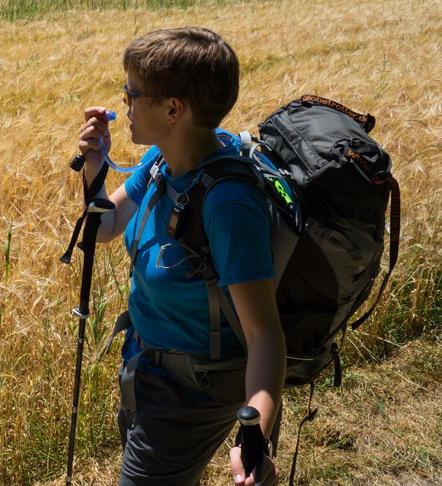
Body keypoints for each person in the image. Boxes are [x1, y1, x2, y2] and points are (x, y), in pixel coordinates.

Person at [76, 27, 286, 486]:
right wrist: (96, 168)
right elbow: (106, 227)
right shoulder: (160, 159)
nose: (124, 104)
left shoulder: (228, 206)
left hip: (189, 394)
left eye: (132, 93)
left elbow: (265, 335)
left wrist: (256, 438)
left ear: (174, 109)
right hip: (145, 370)